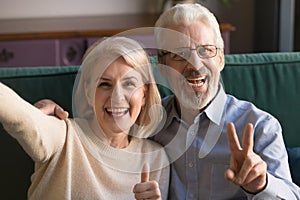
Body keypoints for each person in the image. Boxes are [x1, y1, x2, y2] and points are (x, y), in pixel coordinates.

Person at [36, 3, 300, 200]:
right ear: (162, 66)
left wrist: (261, 184)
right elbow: (99, 125)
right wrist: (44, 114)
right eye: (179, 54)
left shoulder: (260, 126)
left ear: (221, 58)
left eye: (206, 51)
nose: (194, 65)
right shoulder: (145, 120)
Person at [0, 36, 169, 200]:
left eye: (129, 84)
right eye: (105, 84)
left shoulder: (156, 158)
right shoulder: (63, 136)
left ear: (144, 95)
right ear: (88, 92)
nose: (117, 96)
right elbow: (19, 117)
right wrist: (35, 113)